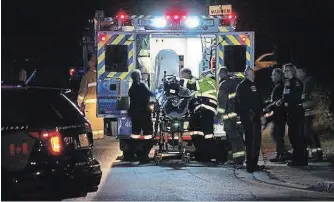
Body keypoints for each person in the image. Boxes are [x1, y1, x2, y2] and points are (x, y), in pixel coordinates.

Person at [235, 67, 264, 173]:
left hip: (247, 117)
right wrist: (260, 113)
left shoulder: (241, 86)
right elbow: (254, 101)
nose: (254, 76)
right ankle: (252, 165)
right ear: (249, 75)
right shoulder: (249, 85)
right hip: (252, 117)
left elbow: (238, 103)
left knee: (250, 140)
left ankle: (251, 164)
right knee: (253, 141)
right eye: (253, 74)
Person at [279, 63, 308, 166]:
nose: (285, 72)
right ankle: (298, 158)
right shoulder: (287, 82)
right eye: (284, 71)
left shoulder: (295, 82)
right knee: (293, 135)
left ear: (292, 71)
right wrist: (282, 102)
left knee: (296, 136)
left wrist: (287, 102)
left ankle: (300, 160)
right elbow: (286, 96)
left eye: (287, 70)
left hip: (296, 112)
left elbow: (295, 97)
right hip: (290, 112)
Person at [218, 67, 246, 165]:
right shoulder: (236, 82)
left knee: (233, 137)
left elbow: (222, 101)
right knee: (238, 137)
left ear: (221, 74)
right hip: (237, 114)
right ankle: (240, 158)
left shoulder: (223, 84)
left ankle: (237, 160)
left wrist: (218, 115)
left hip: (229, 115)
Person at [297, 68, 322, 161]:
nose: (297, 74)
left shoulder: (309, 83)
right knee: (309, 134)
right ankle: (314, 154)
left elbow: (313, 99)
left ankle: (316, 155)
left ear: (304, 72)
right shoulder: (304, 83)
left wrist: (300, 106)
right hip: (307, 113)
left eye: (299, 72)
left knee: (309, 134)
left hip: (310, 113)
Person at [77, 54, 104, 139]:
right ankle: (100, 135)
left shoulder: (87, 76)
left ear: (90, 63)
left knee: (91, 120)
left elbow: (83, 91)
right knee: (99, 119)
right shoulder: (100, 75)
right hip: (100, 103)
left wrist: (79, 102)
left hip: (90, 104)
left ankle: (94, 136)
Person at [265, 68, 288, 162]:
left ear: (279, 76)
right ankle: (281, 153)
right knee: (276, 134)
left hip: (280, 114)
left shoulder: (280, 86)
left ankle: (281, 154)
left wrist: (269, 106)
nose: (272, 77)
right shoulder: (279, 86)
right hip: (278, 114)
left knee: (277, 134)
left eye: (274, 75)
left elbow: (277, 101)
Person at [128, 69, 153, 140]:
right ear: (139, 76)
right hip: (144, 111)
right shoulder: (142, 86)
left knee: (135, 128)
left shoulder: (132, 88)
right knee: (147, 127)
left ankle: (134, 141)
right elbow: (150, 93)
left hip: (134, 112)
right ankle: (147, 140)